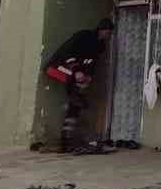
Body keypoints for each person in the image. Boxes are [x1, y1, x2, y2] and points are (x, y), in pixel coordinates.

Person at [43, 18, 114, 152]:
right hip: (56, 67)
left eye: (110, 34)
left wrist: (88, 76)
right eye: (108, 32)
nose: (109, 36)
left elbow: (92, 64)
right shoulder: (84, 36)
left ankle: (67, 137)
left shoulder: (100, 46)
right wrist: (76, 71)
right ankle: (75, 100)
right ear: (102, 29)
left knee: (76, 101)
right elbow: (67, 52)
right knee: (76, 90)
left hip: (73, 73)